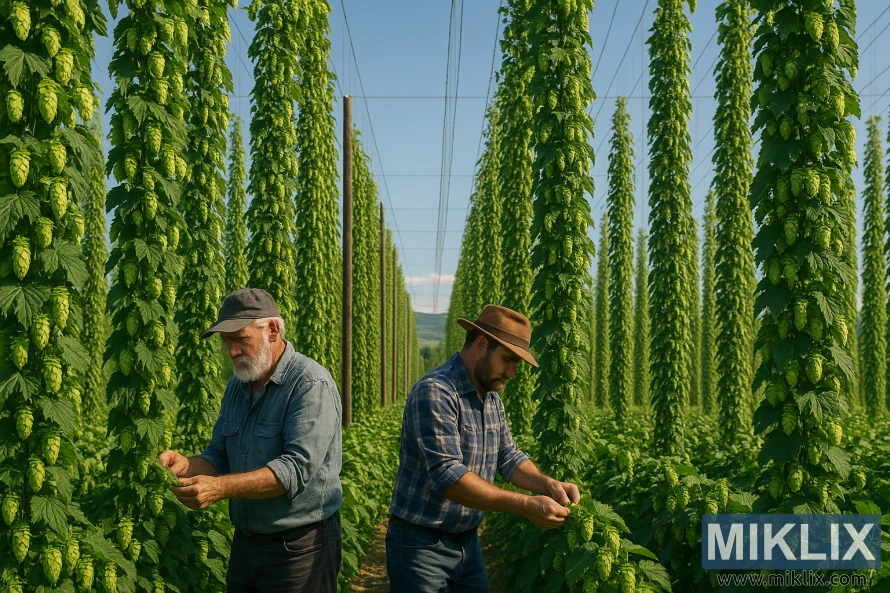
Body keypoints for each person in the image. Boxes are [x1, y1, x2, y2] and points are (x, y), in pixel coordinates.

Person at [158, 288, 343, 593]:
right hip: (247, 544)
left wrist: (219, 488)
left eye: (240, 340)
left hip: (300, 548)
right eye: (227, 343)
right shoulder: (238, 386)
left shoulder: (310, 384)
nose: (232, 351)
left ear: (272, 330)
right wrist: (187, 465)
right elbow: (218, 455)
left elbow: (295, 471)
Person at [386, 304, 581, 592]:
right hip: (420, 545)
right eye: (507, 360)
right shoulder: (436, 392)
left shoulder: (491, 401)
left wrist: (547, 484)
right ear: (481, 344)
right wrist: (526, 505)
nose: (512, 372)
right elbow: (447, 476)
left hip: (467, 544)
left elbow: (509, 457)